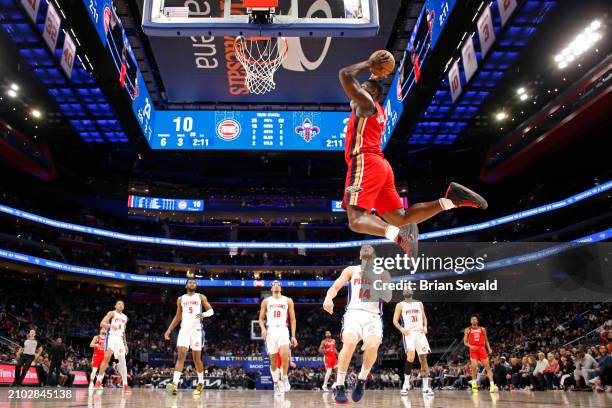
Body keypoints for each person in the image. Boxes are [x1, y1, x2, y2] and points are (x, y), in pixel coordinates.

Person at [338, 54, 488, 255]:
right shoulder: (373, 108)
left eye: (362, 87)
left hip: (365, 161)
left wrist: (368, 64)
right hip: (381, 166)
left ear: (372, 93)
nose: (355, 92)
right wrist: (376, 75)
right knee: (401, 217)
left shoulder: (366, 103)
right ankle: (450, 201)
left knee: (356, 220)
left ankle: (397, 236)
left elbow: (345, 74)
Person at [323, 245, 391, 403]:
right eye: (363, 250)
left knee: (373, 346)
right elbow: (336, 286)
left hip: (373, 316)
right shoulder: (351, 270)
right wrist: (328, 298)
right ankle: (339, 385)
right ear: (360, 256)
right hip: (353, 313)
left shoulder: (382, 272)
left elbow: (387, 296)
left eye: (369, 250)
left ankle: (361, 380)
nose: (366, 250)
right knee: (350, 341)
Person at [164, 278, 214, 396]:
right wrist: (169, 330)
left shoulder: (201, 297)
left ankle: (201, 383)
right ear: (186, 285)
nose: (192, 284)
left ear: (195, 286)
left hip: (197, 330)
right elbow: (177, 316)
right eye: (190, 282)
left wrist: (203, 314)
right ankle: (175, 384)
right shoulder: (180, 299)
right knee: (181, 356)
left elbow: (211, 311)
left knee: (197, 359)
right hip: (184, 330)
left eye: (194, 283)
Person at [259, 281, 298, 396]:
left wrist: (293, 336)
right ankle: (276, 383)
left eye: (278, 284)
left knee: (285, 354)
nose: (276, 285)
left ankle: (284, 377)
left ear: (281, 287)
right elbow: (261, 319)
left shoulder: (288, 300)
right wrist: (263, 329)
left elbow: (293, 319)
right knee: (274, 362)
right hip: (271, 330)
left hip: (283, 329)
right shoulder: (266, 301)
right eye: (274, 284)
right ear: (271, 288)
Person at [392, 288, 433, 395]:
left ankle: (426, 387)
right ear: (403, 293)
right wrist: (401, 329)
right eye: (405, 289)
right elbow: (395, 320)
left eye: (409, 289)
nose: (407, 290)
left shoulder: (419, 303)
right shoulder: (400, 305)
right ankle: (406, 385)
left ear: (412, 292)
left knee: (423, 359)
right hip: (409, 334)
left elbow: (424, 317)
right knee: (410, 356)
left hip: (420, 333)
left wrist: (425, 327)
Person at [94, 300, 129, 391]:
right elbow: (102, 324)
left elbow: (124, 332)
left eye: (122, 304)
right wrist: (110, 326)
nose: (121, 305)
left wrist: (125, 344)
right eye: (119, 304)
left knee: (123, 361)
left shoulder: (125, 317)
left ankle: (125, 384)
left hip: (120, 339)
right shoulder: (112, 313)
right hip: (111, 337)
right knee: (107, 357)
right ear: (115, 306)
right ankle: (98, 381)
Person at [464, 316, 497, 392]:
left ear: (477, 321)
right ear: (470, 321)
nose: (474, 320)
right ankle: (474, 383)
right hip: (473, 349)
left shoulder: (482, 329)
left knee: (487, 366)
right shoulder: (468, 329)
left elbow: (486, 340)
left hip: (481, 348)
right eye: (472, 319)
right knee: (474, 366)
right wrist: (471, 346)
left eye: (475, 319)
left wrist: (489, 348)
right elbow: (465, 342)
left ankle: (492, 385)